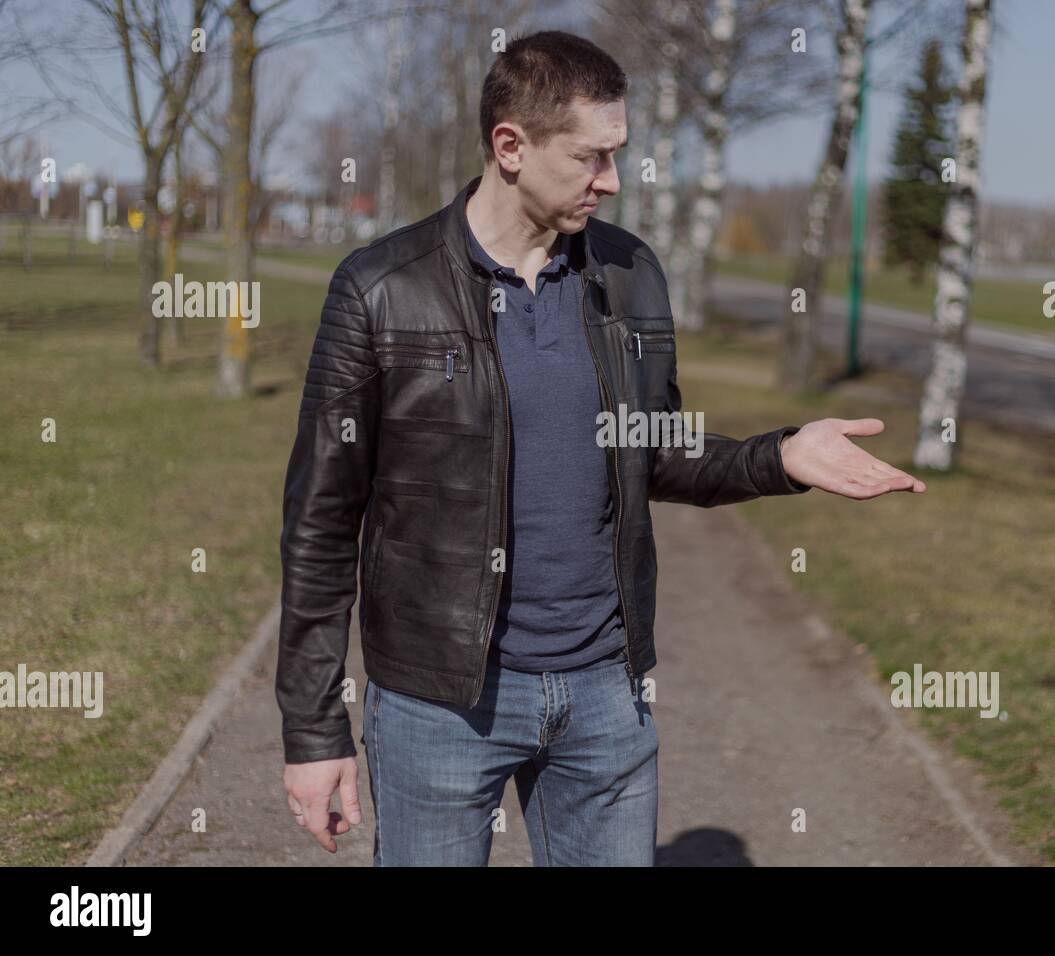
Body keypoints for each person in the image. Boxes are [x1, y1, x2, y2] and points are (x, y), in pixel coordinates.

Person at [277, 29, 926, 867]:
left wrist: (781, 456)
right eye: (591, 158)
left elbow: (650, 449)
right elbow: (321, 525)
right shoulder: (380, 288)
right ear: (510, 146)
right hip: (440, 704)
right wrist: (313, 727)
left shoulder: (628, 273)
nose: (612, 181)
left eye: (617, 156)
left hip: (604, 695)